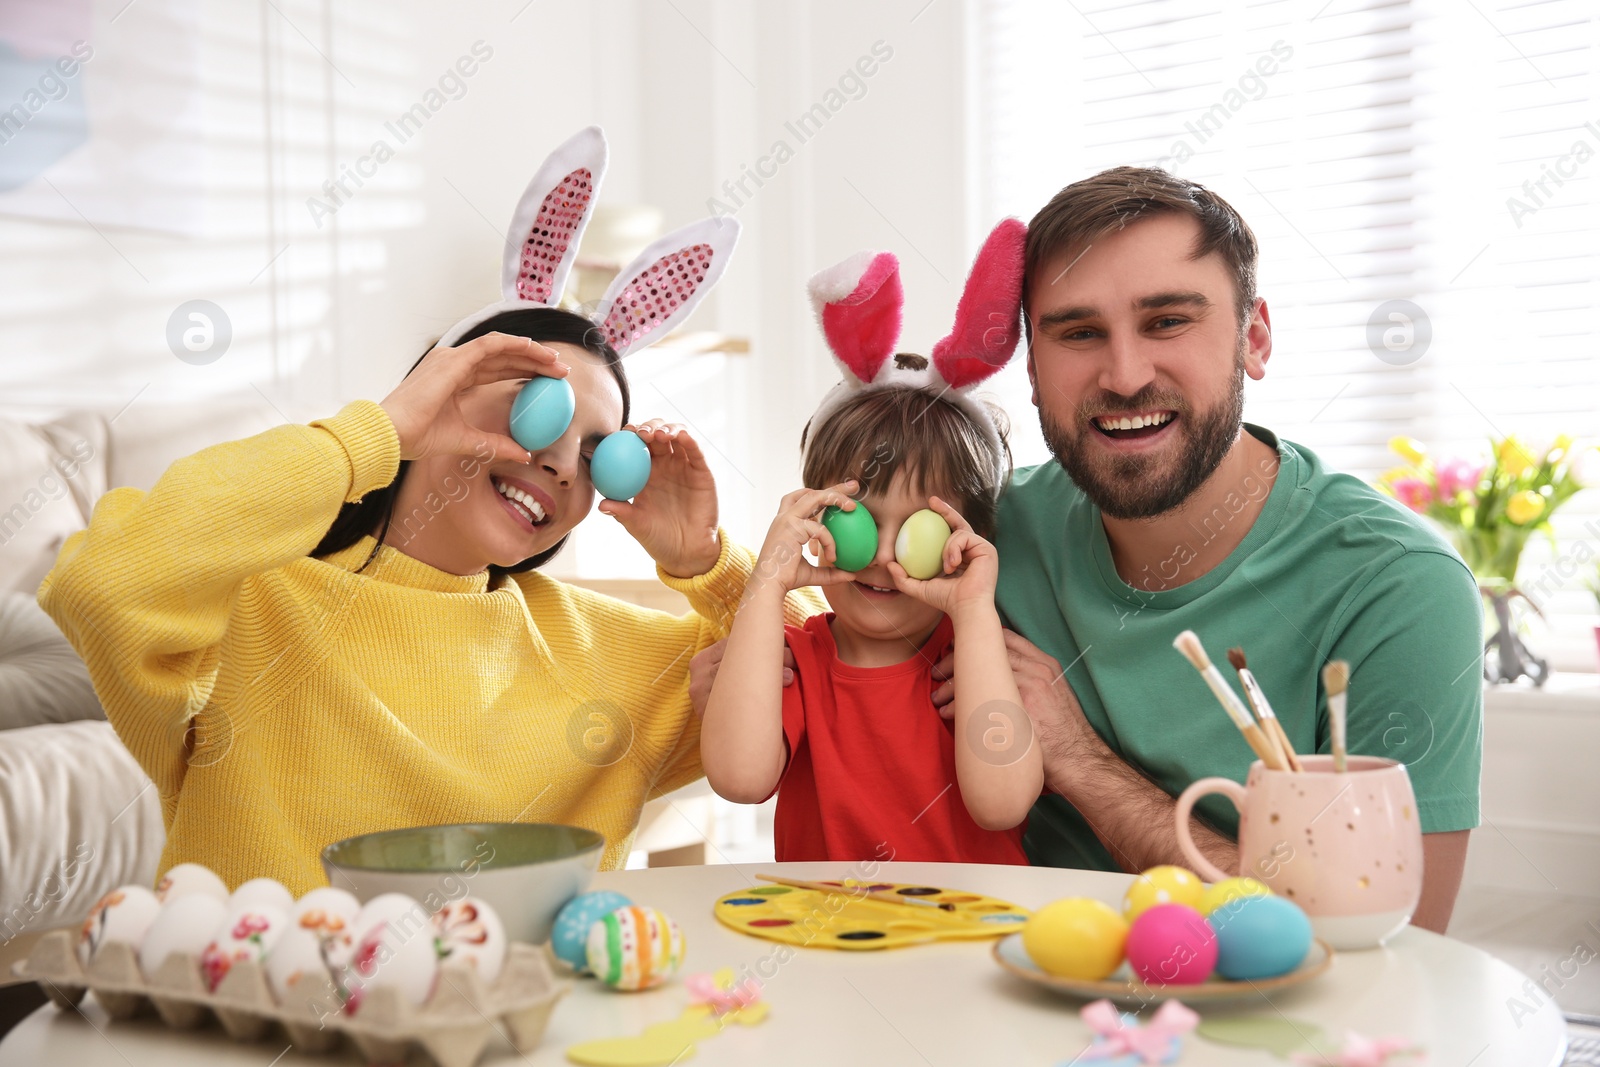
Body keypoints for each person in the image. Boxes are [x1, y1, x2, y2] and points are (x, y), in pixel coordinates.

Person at [38, 129, 813, 893]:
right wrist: (375, 434)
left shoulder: (610, 659)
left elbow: (824, 660)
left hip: (522, 1014)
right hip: (265, 1010)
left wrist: (704, 563)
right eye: (537, 409)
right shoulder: (249, 609)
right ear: (434, 389)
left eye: (599, 451)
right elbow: (102, 583)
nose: (561, 463)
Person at [931, 166, 1481, 932]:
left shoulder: (1397, 587)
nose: (1124, 375)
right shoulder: (989, 531)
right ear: (1031, 369)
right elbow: (833, 615)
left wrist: (1081, 762)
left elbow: (1390, 942)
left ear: (1253, 339)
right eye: (1079, 333)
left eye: (1167, 322)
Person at [700, 225, 1043, 863]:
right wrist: (767, 584)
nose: (884, 555)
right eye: (857, 517)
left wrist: (972, 613)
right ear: (814, 518)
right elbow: (739, 779)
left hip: (966, 942)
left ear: (966, 541)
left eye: (917, 529)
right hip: (828, 947)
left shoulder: (976, 665)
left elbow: (1001, 803)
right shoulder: (792, 660)